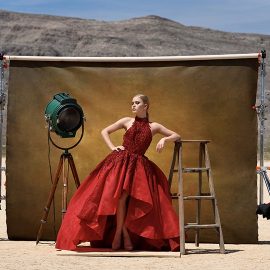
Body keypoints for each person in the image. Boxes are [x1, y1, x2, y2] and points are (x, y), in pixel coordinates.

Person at [56, 94, 180, 251]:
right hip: (120, 163)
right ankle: (120, 235)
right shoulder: (126, 121)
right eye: (132, 103)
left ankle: (124, 235)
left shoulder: (154, 126)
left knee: (127, 200)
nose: (133, 105)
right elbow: (104, 131)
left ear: (146, 106)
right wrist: (112, 147)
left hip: (138, 167)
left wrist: (164, 140)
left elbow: (177, 135)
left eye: (137, 103)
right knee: (118, 198)